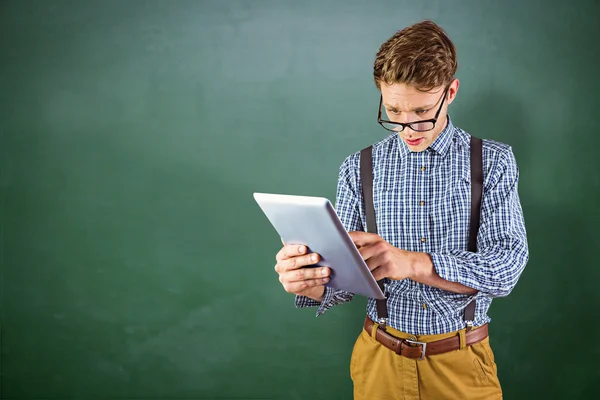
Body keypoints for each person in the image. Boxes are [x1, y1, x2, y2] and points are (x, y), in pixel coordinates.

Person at [274, 20, 528, 400]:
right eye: (393, 110)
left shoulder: (491, 161)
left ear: (451, 92)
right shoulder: (358, 168)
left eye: (423, 110)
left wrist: (412, 263)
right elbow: (343, 279)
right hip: (379, 362)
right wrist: (312, 283)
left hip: (462, 363)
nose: (407, 127)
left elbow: (506, 267)